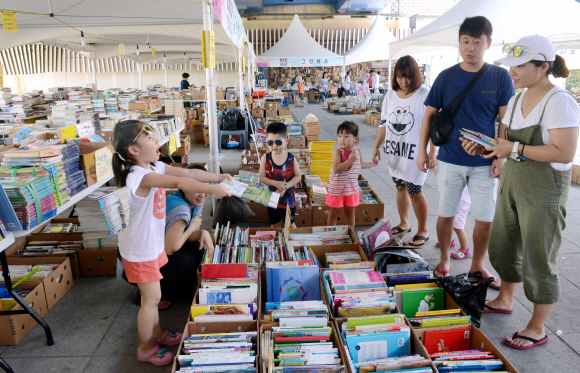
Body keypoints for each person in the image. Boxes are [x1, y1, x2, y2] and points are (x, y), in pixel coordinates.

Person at [463, 35, 579, 349]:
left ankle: (537, 326)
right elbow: (508, 150)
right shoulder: (516, 100)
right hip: (512, 183)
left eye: (520, 64)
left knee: (538, 257)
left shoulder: (559, 101)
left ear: (543, 66)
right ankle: (505, 298)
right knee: (502, 245)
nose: (512, 71)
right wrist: (486, 150)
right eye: (510, 65)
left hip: (544, 191)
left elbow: (565, 153)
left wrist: (512, 146)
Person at [113, 120, 231, 366]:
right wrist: (212, 190)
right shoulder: (140, 175)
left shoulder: (153, 165)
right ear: (133, 150)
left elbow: (187, 172)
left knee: (154, 297)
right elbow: (180, 183)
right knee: (151, 299)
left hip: (151, 245)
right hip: (139, 250)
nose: (158, 142)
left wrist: (217, 176)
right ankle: (145, 347)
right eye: (151, 139)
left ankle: (156, 334)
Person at [417, 16, 514, 288]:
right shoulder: (446, 77)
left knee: (485, 217)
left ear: (488, 43)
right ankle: (445, 259)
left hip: (485, 163)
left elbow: (505, 121)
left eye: (477, 42)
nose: (470, 47)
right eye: (465, 41)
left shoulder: (500, 76)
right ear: (459, 43)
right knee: (446, 212)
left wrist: (500, 155)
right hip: (449, 159)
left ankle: (477, 265)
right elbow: (429, 117)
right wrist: (424, 152)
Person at [372, 56, 433, 246]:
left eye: (407, 77)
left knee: (415, 190)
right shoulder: (391, 94)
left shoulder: (425, 94)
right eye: (399, 77)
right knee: (400, 187)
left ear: (415, 75)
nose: (403, 82)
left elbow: (432, 125)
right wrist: (376, 147)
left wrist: (432, 153)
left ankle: (423, 229)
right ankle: (404, 222)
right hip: (395, 150)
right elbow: (384, 122)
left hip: (416, 152)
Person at [161, 164, 215, 309]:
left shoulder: (192, 200)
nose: (202, 194)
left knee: (198, 247)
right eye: (196, 188)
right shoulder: (181, 210)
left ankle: (181, 287)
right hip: (138, 262)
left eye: (205, 188)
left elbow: (183, 236)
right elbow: (170, 249)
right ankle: (147, 293)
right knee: (185, 260)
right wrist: (193, 227)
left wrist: (202, 232)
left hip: (160, 247)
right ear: (183, 186)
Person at [327, 121, 377, 228]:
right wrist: (349, 161)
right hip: (337, 188)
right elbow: (336, 169)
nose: (342, 139)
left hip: (351, 189)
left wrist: (371, 164)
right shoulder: (338, 151)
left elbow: (361, 164)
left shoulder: (358, 151)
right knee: (334, 213)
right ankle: (329, 234)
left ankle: (350, 235)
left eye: (346, 136)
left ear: (355, 138)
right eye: (340, 136)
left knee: (350, 213)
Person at [259, 122, 302, 228]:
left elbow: (298, 176)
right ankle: (278, 244)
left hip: (288, 200)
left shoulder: (291, 158)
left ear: (286, 141)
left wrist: (285, 186)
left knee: (291, 225)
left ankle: (292, 243)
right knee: (275, 225)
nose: (274, 146)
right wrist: (275, 183)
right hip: (271, 199)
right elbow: (262, 177)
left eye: (278, 142)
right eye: (270, 142)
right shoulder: (266, 158)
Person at [436, 186, 472, 259]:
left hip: (461, 203)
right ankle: (449, 241)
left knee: (458, 227)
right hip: (453, 200)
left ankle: (464, 249)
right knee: (447, 222)